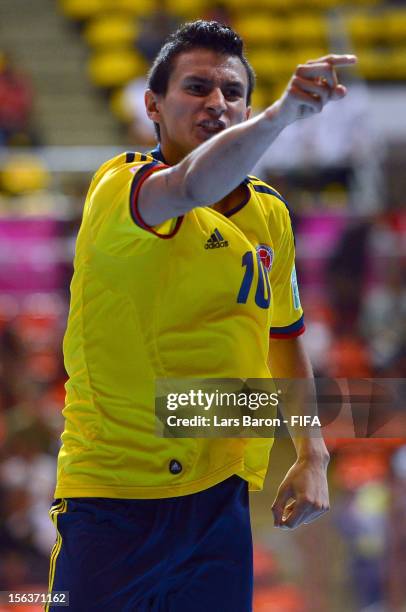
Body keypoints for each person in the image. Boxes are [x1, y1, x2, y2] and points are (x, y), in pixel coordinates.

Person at [47, 20, 356, 612]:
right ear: (153, 105)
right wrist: (283, 116)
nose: (217, 103)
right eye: (197, 88)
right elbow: (192, 184)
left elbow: (285, 338)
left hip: (217, 505)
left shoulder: (270, 215)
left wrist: (311, 452)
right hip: (112, 502)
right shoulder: (121, 188)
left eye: (232, 92)